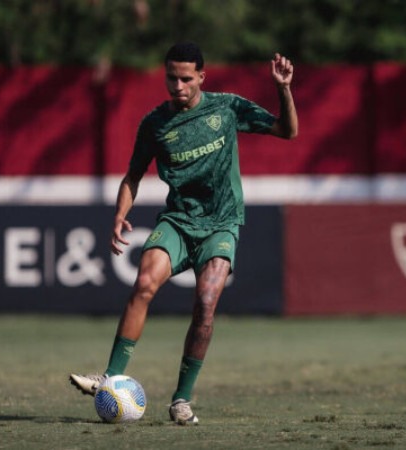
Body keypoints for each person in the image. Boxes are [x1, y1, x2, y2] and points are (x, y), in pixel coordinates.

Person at [70, 42, 298, 425]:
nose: (177, 85)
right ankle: (109, 377)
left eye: (186, 78)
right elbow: (132, 176)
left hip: (221, 223)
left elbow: (287, 131)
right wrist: (119, 215)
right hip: (177, 221)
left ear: (201, 78)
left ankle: (181, 399)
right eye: (171, 77)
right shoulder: (155, 124)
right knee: (143, 282)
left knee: (206, 303)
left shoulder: (226, 107)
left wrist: (284, 88)